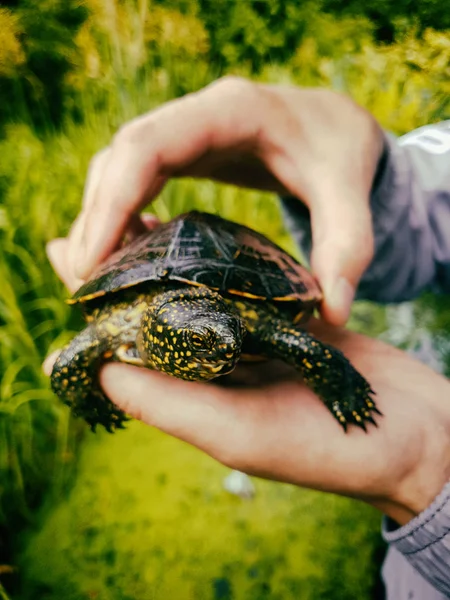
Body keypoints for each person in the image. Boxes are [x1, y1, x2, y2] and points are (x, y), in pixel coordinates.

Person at [45, 78, 450, 599]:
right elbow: (72, 363)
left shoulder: (244, 323)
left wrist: (411, 448)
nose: (226, 345)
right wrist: (379, 180)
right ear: (160, 331)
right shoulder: (123, 315)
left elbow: (305, 345)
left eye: (227, 336)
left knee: (283, 338)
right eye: (208, 342)